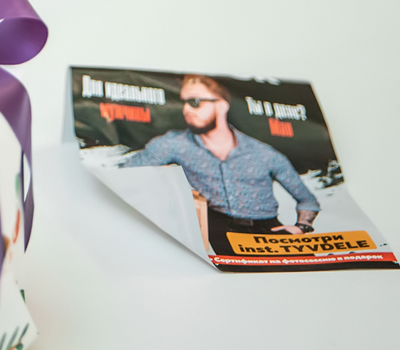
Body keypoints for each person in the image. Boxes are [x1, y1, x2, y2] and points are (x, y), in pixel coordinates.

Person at [118, 76, 320, 259]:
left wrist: (302, 227)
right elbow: (124, 177)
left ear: (222, 106)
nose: (186, 110)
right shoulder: (173, 144)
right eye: (183, 102)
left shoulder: (264, 153)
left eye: (195, 102)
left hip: (267, 231)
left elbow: (307, 200)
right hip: (213, 229)